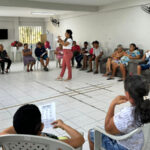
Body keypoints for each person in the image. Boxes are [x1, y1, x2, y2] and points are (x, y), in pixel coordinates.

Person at [88, 75, 150, 150]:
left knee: (92, 132)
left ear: (127, 94)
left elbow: (108, 129)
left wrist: (112, 104)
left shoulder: (128, 114)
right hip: (142, 144)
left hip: (125, 147)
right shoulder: (146, 107)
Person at [0, 104, 85, 149]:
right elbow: (80, 139)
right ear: (42, 126)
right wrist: (63, 125)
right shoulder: (53, 143)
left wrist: (22, 123)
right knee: (65, 137)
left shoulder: (8, 142)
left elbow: (3, 134)